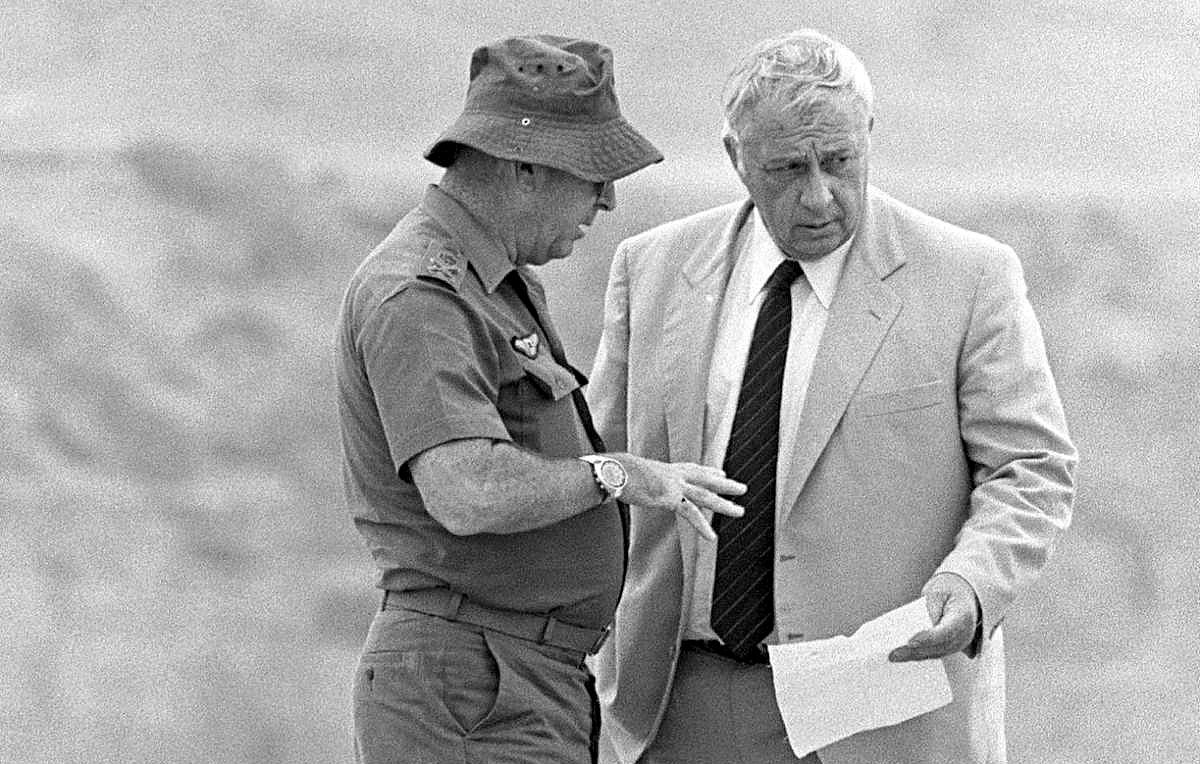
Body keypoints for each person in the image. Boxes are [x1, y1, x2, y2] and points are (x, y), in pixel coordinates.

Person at [588, 29, 1077, 764]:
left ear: (869, 137)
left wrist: (972, 585)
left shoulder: (971, 277)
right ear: (735, 158)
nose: (819, 196)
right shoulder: (650, 268)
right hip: (677, 704)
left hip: (884, 709)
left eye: (841, 161)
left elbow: (1031, 470)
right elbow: (605, 467)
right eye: (787, 167)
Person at [334, 35, 746, 764]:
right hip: (472, 691)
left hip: (510, 683)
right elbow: (465, 490)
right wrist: (616, 474)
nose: (608, 200)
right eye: (592, 174)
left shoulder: (490, 285)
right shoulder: (423, 294)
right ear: (522, 167)